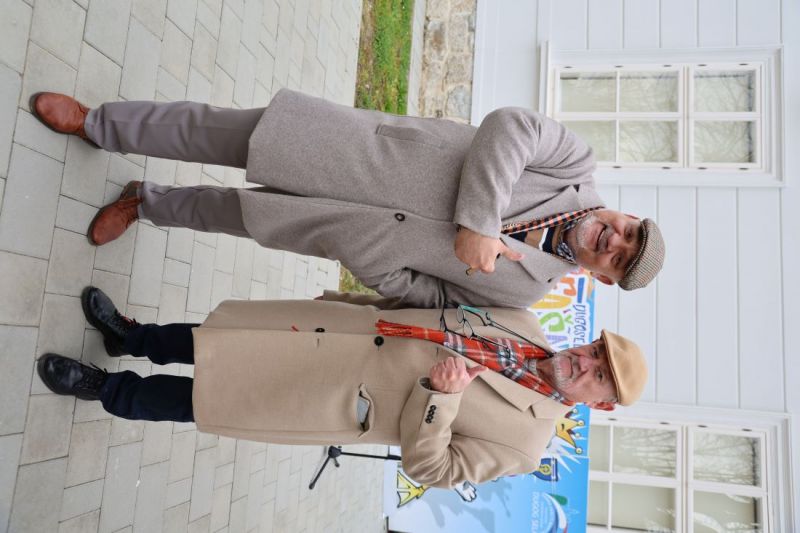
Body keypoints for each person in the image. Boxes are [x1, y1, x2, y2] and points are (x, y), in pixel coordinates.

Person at [29, 91, 665, 309]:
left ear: (603, 279)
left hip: (344, 228)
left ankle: (144, 203)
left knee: (229, 215)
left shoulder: (524, 292)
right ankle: (97, 124)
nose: (616, 240)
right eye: (630, 230)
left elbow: (434, 298)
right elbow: (510, 127)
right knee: (216, 133)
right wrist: (477, 223)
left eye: (620, 257)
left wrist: (373, 260)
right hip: (356, 151)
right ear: (627, 215)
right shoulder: (574, 166)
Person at [37, 287, 647, 488]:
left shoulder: (526, 445)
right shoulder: (526, 322)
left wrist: (442, 399)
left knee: (206, 398)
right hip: (337, 333)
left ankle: (103, 388)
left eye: (598, 375)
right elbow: (427, 305)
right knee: (215, 339)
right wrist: (347, 301)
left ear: (598, 403)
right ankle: (130, 336)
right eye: (596, 352)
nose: (585, 362)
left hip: (332, 397)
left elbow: (430, 469)